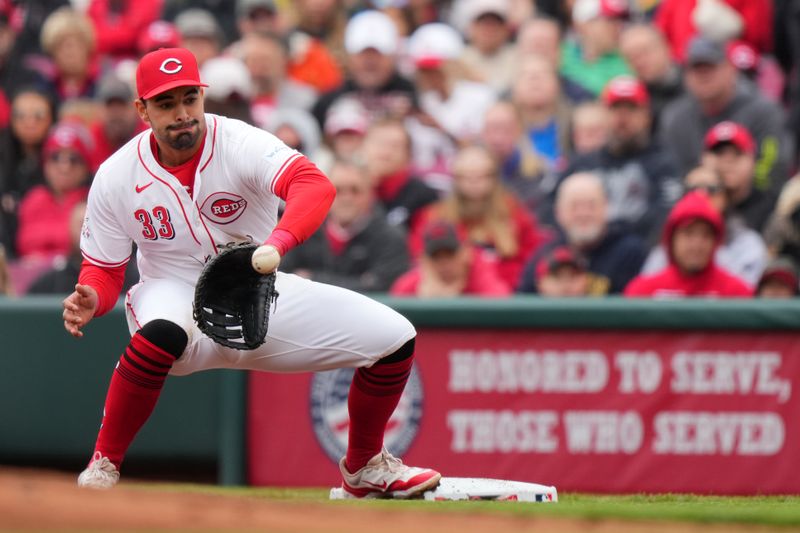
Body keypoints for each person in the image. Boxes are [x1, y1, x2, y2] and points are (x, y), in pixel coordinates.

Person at [62, 48, 441, 497]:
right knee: (162, 332)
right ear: (142, 110)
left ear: (203, 96)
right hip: (174, 293)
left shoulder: (239, 142)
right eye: (166, 104)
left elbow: (313, 185)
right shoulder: (115, 175)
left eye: (190, 98)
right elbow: (103, 270)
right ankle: (103, 465)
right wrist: (91, 295)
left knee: (394, 337)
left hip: (260, 290)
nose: (183, 114)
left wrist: (277, 243)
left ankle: (363, 468)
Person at [659, 37, 792, 194]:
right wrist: (691, 185)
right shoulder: (675, 118)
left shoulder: (764, 112)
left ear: (731, 69)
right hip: (697, 209)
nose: (703, 75)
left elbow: (774, 172)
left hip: (755, 206)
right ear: (685, 75)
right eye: (696, 69)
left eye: (711, 67)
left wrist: (735, 187)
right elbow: (668, 177)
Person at [559, 76, 682, 242]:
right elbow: (550, 207)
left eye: (631, 109)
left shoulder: (663, 164)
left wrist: (612, 233)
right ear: (604, 115)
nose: (622, 118)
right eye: (615, 109)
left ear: (647, 116)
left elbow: (666, 214)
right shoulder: (582, 163)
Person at [409, 145, 544, 290]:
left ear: (494, 178)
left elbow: (532, 260)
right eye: (466, 177)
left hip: (503, 299)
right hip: (450, 296)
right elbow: (420, 261)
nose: (474, 183)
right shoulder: (435, 218)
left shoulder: (515, 214)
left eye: (482, 176)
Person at [280, 159, 409, 292]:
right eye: (339, 190)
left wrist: (311, 278)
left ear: (370, 193)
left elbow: (382, 288)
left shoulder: (390, 238)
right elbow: (283, 279)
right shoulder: (305, 231)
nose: (347, 198)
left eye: (355, 190)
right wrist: (360, 282)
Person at [518, 172, 647, 295]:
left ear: (606, 208)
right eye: (574, 206)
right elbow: (523, 303)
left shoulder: (631, 253)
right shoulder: (545, 254)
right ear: (558, 212)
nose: (584, 214)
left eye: (592, 205)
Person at [639, 165, 768, 288]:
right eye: (692, 189)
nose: (701, 195)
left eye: (711, 189)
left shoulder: (747, 243)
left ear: (724, 195)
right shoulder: (662, 251)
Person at [624, 190, 752, 298]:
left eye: (706, 235)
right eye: (688, 234)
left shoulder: (736, 293)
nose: (697, 244)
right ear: (672, 239)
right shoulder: (643, 292)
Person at [16, 121, 93, 260]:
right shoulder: (33, 199)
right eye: (55, 157)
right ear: (45, 163)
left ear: (85, 166)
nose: (64, 167)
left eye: (73, 159)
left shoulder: (93, 201)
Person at [28, 202, 138, 295]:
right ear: (69, 229)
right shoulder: (51, 283)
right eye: (83, 225)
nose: (90, 232)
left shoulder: (135, 279)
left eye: (97, 225)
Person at [390, 220, 511, 297]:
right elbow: (396, 301)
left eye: (450, 255)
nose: (444, 263)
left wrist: (452, 300)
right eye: (436, 257)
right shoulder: (418, 280)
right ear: (426, 261)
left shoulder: (477, 269)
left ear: (465, 253)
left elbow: (501, 300)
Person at [700, 121, 775, 233]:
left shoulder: (773, 209)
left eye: (737, 153)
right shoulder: (692, 202)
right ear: (703, 159)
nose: (728, 160)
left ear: (753, 160)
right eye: (719, 153)